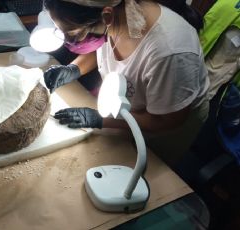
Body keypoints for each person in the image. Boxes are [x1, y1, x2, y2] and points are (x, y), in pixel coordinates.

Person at [44, 0, 210, 166]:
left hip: (165, 124)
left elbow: (167, 121)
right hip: (131, 106)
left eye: (72, 33)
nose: (67, 40)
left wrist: (100, 119)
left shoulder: (169, 53)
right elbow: (102, 43)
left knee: (146, 173)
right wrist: (74, 69)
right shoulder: (120, 13)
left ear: (106, 16)